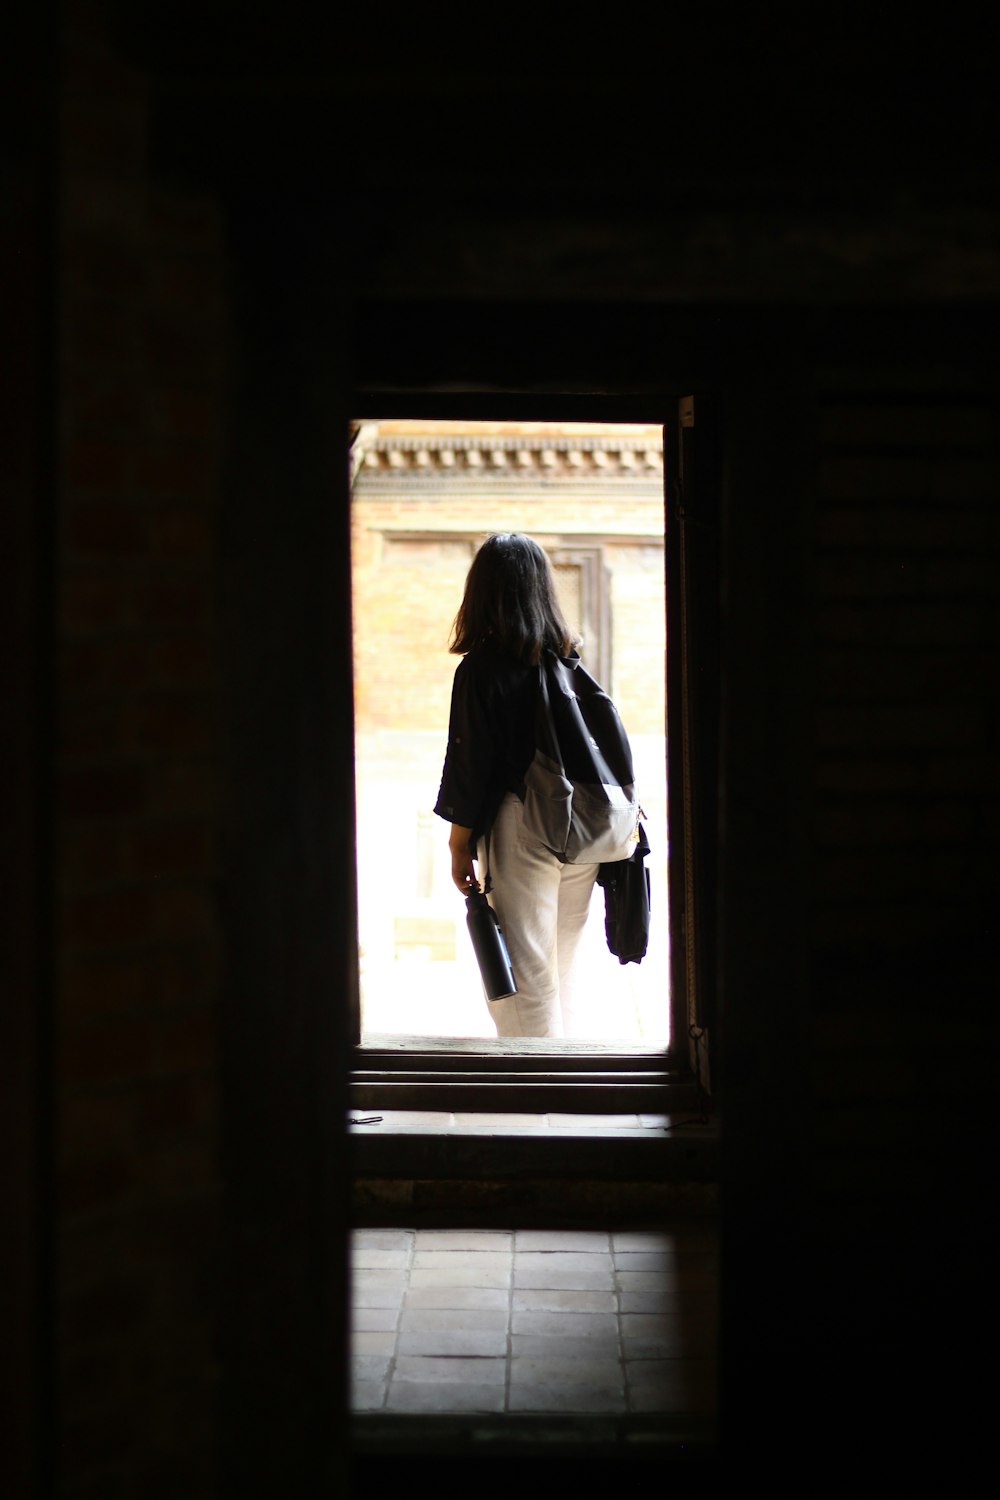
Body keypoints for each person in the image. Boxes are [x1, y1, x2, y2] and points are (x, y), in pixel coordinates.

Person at [433, 533, 600, 1038]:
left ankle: (539, 1101)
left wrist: (459, 844)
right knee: (560, 969)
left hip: (522, 824)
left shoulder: (481, 670)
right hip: (583, 830)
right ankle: (566, 1089)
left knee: (527, 980)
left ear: (480, 591)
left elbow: (471, 766)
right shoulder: (568, 658)